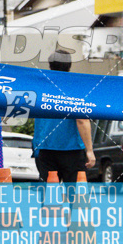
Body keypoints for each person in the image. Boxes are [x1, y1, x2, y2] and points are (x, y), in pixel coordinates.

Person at [33, 49, 95, 182]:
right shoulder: (75, 87)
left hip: (45, 148)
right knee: (77, 196)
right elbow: (81, 120)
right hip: (71, 150)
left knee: (49, 196)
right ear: (69, 65)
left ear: (50, 65)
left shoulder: (39, 87)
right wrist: (89, 151)